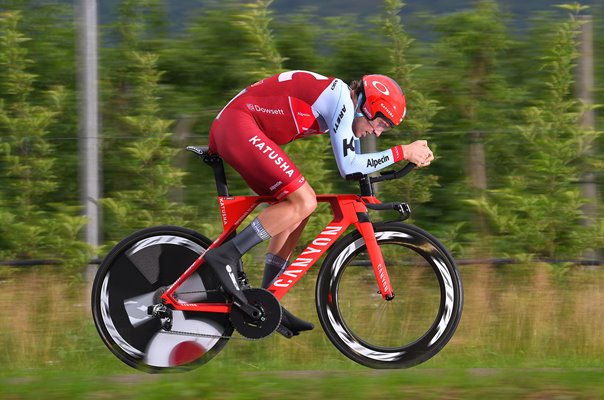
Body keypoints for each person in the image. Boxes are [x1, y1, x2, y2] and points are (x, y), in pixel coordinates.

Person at [204, 70, 434, 337]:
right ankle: (226, 255)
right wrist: (402, 151)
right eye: (381, 124)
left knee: (297, 209)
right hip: (238, 125)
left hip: (237, 126)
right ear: (367, 108)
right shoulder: (341, 100)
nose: (378, 133)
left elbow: (357, 165)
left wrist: (395, 158)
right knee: (304, 200)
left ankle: (268, 297)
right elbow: (349, 167)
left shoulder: (343, 103)